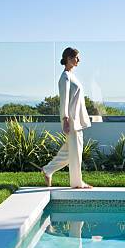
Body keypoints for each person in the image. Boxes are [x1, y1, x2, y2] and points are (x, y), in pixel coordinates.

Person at [41, 47, 93, 189]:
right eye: (76, 57)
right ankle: (77, 183)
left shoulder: (72, 76)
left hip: (77, 120)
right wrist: (65, 120)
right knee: (75, 153)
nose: (79, 60)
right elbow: (63, 100)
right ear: (69, 59)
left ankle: (48, 170)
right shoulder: (65, 77)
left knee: (70, 151)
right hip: (71, 120)